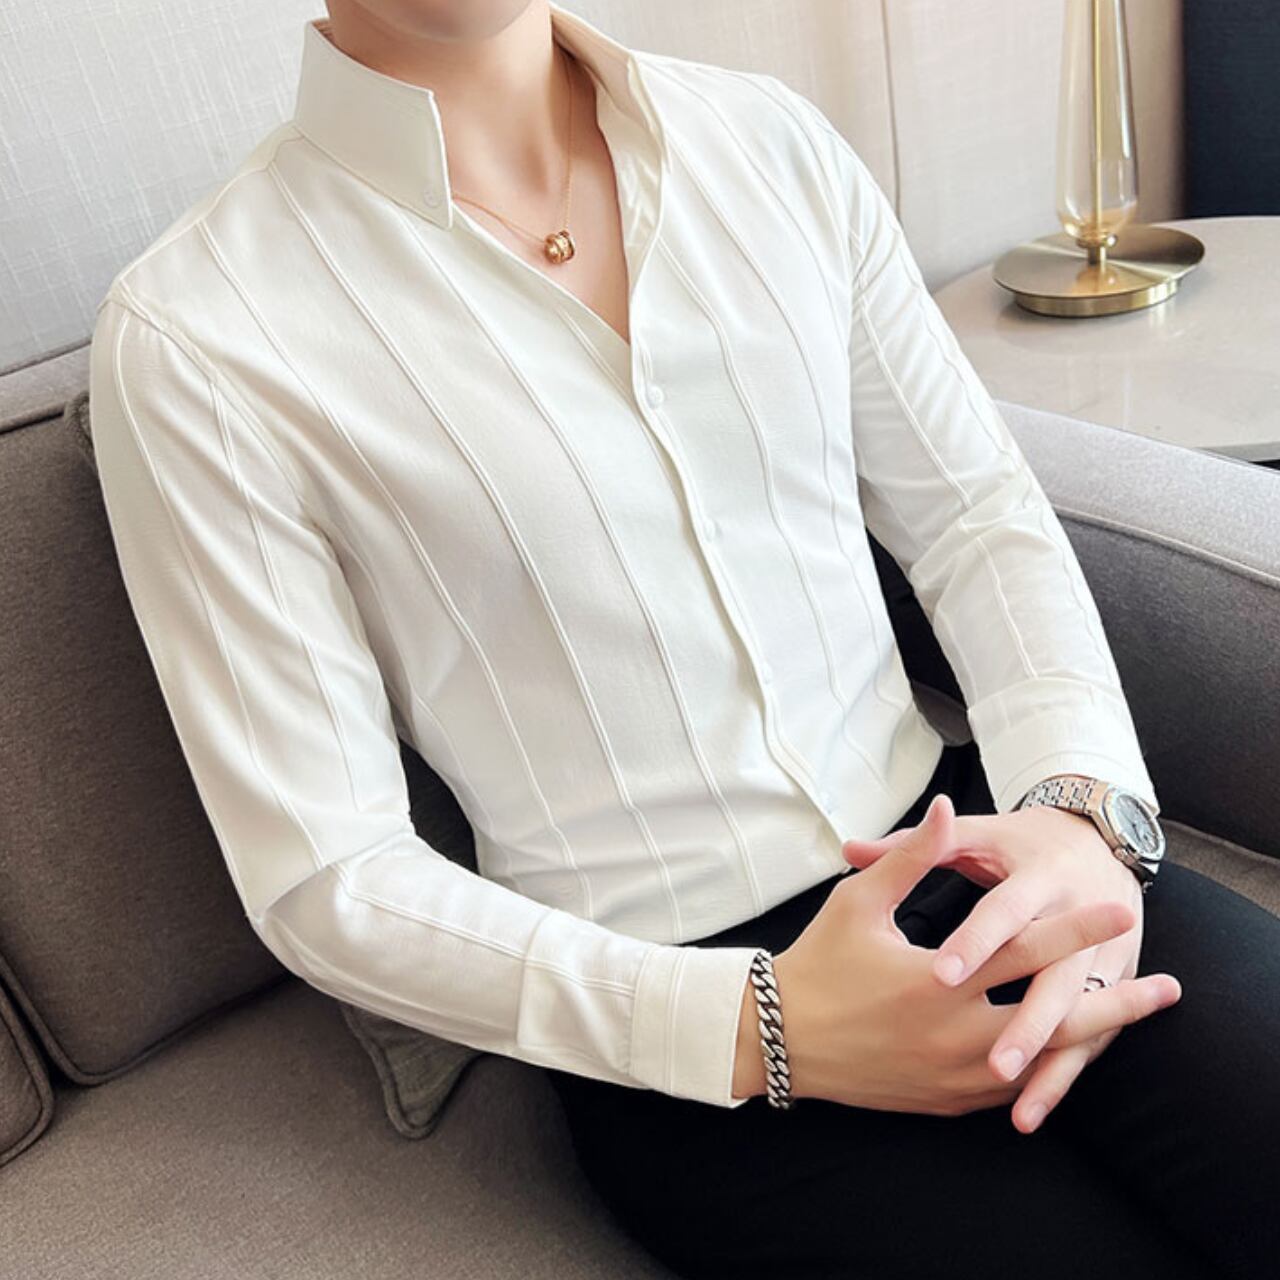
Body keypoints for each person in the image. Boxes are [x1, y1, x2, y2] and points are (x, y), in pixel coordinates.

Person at [86, 3, 1280, 1278]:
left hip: (988, 850)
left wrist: (1082, 813)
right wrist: (757, 1024)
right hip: (695, 1032)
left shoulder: (768, 143)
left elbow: (974, 515)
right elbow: (328, 874)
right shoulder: (198, 335)